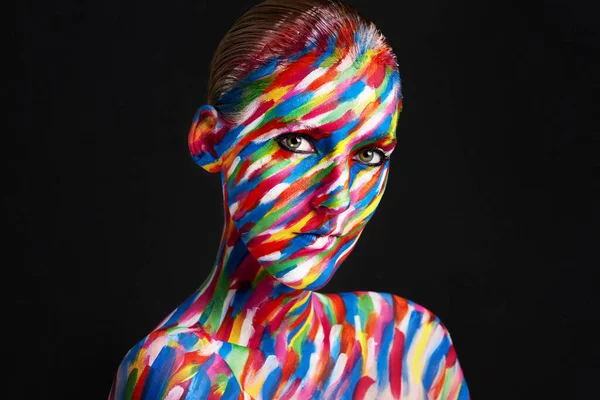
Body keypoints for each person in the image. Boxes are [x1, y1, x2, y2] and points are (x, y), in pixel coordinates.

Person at [109, 0, 470, 398]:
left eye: (369, 156)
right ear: (210, 140)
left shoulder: (409, 343)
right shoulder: (182, 374)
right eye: (296, 143)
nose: (338, 197)